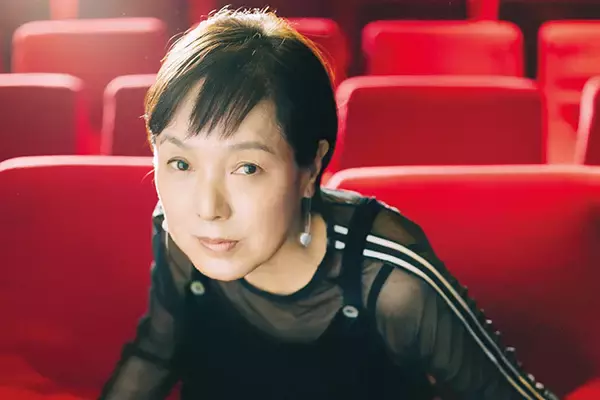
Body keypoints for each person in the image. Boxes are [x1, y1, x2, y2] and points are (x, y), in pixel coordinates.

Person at [100, 7, 559, 400]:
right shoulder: (179, 230)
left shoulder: (388, 276)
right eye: (180, 163)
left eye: (247, 168)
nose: (207, 208)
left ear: (311, 167)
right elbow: (157, 353)